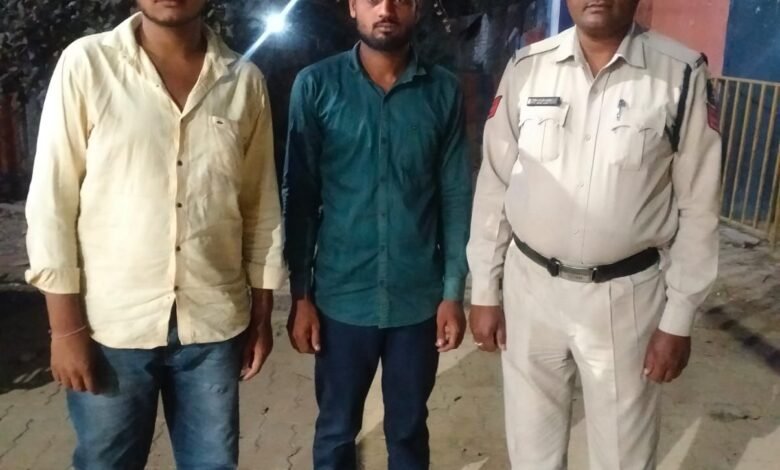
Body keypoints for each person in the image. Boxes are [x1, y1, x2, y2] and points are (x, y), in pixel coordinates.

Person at [25, 1, 285, 468]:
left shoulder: (243, 81)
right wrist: (65, 330)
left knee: (213, 463)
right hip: (111, 327)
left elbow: (260, 206)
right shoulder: (88, 64)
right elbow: (52, 202)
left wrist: (262, 316)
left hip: (212, 326)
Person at [467, 0, 721, 468]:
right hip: (530, 290)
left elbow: (699, 207)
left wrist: (679, 316)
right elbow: (495, 183)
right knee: (531, 452)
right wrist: (485, 288)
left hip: (625, 299)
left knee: (623, 457)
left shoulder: (679, 74)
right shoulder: (527, 68)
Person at [282, 0, 472, 468]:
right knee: (336, 430)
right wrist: (301, 296)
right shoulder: (317, 86)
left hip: (417, 301)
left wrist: (453, 292)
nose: (385, 8)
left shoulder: (442, 91)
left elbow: (454, 194)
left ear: (416, 9)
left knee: (408, 430)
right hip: (341, 298)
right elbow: (300, 196)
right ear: (353, 7)